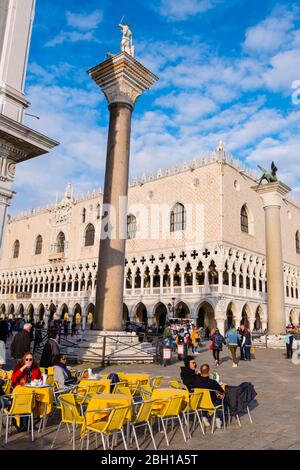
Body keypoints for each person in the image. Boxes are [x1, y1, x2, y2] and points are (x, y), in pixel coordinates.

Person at [180, 357, 225, 429]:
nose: (195, 364)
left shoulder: (195, 381)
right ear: (209, 371)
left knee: (204, 395)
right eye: (193, 363)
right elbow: (221, 392)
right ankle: (218, 417)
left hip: (199, 402)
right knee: (221, 397)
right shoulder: (212, 382)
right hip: (210, 403)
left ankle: (204, 416)